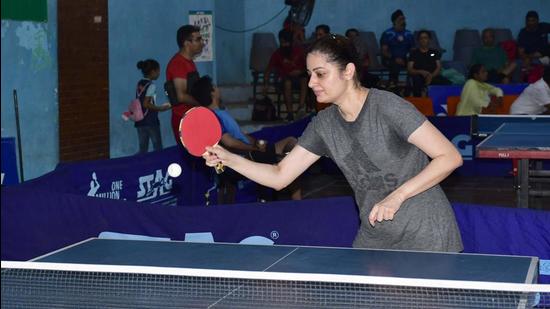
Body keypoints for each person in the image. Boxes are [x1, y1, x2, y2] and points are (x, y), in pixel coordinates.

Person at [203, 35, 464, 252]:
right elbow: (280, 176)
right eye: (309, 74)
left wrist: (397, 197)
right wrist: (228, 158)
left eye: (320, 74)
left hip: (426, 235)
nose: (310, 83)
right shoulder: (324, 125)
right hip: (375, 236)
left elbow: (450, 157)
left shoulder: (387, 107)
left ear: (348, 71)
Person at [192, 75, 301, 203]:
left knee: (291, 143)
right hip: (246, 156)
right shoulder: (213, 117)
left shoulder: (221, 111)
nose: (218, 88)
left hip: (250, 150)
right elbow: (229, 142)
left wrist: (255, 142)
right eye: (215, 86)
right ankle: (296, 201)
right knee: (290, 155)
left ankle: (283, 194)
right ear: (212, 92)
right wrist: (253, 148)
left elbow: (239, 134)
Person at [166, 25, 204, 144]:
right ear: (187, 43)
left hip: (192, 117)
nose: (202, 43)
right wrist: (203, 105)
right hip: (183, 119)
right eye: (198, 40)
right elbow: (181, 96)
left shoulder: (189, 62)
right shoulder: (178, 64)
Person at [263, 29, 308, 121]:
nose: (285, 45)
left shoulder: (299, 51)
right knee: (287, 82)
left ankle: (301, 107)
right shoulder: (277, 53)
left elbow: (308, 67)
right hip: (283, 80)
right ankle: (290, 113)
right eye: (282, 42)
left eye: (286, 42)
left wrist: (299, 71)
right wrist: (266, 84)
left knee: (304, 79)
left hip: (299, 78)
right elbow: (268, 70)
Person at [133, 59, 171, 153]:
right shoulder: (151, 86)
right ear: (153, 71)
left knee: (143, 149)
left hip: (140, 121)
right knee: (158, 148)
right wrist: (161, 108)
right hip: (151, 121)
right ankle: (159, 165)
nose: (159, 73)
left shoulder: (140, 83)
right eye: (158, 71)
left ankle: (140, 166)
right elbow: (146, 103)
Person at [407, 30, 451, 97]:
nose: (423, 40)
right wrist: (421, 72)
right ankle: (419, 101)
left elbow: (438, 67)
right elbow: (410, 69)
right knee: (417, 81)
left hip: (432, 75)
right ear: (418, 40)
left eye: (425, 38)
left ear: (429, 39)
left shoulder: (434, 52)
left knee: (446, 82)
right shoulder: (414, 53)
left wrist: (431, 76)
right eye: (421, 38)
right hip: (419, 76)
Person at [380, 9, 414, 88]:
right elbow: (384, 51)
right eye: (400, 19)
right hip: (390, 59)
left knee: (414, 64)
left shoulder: (409, 34)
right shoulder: (387, 34)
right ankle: (393, 86)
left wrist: (408, 59)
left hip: (405, 59)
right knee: (394, 65)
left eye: (404, 19)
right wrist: (395, 58)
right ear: (394, 21)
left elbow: (412, 49)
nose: (403, 21)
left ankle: (410, 87)